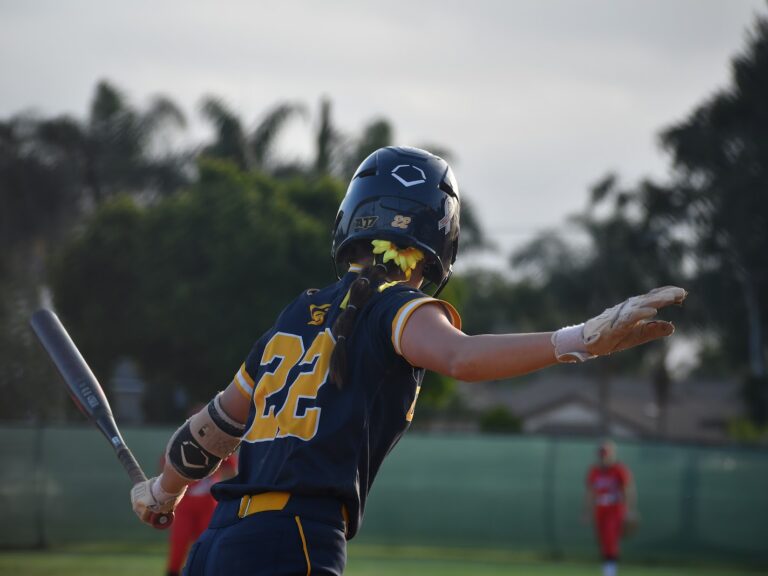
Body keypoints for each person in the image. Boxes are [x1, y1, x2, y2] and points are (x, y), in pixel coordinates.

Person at [129, 146, 685, 576]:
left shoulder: (297, 311)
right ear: (442, 237)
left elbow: (216, 426)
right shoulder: (395, 304)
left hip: (218, 542)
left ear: (354, 217)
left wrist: (163, 490)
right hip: (293, 540)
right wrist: (578, 339)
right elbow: (460, 357)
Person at [163, 450, 237, 576]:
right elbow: (167, 469)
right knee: (179, 543)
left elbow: (231, 472)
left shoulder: (219, 444)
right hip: (185, 501)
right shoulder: (182, 444)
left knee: (208, 544)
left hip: (208, 502)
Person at [585, 440, 637, 576]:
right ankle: (607, 570)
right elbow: (590, 492)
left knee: (610, 539)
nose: (603, 457)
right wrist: (588, 511)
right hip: (600, 508)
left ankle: (610, 571)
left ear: (612, 454)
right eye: (601, 454)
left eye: (606, 454)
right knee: (602, 540)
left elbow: (628, 490)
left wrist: (630, 511)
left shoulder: (619, 469)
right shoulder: (595, 471)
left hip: (615, 508)